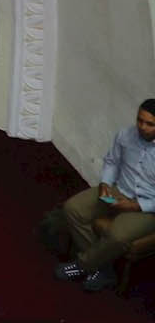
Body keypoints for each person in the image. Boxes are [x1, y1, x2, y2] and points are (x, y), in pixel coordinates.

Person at [51, 98, 155, 291]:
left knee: (117, 236)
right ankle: (104, 269)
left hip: (148, 207)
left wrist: (136, 205)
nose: (142, 127)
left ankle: (82, 265)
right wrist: (106, 183)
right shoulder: (126, 135)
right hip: (119, 190)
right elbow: (112, 161)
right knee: (73, 209)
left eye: (149, 124)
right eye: (139, 120)